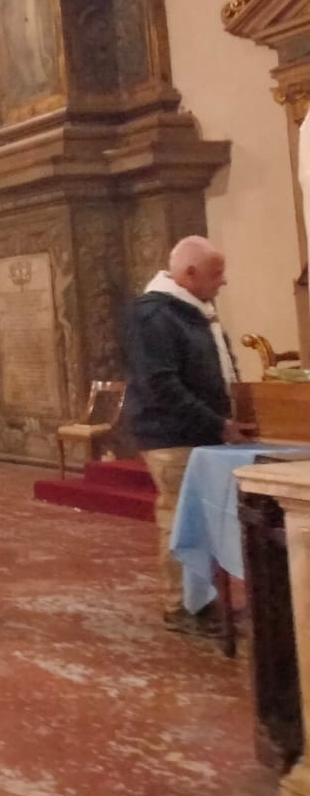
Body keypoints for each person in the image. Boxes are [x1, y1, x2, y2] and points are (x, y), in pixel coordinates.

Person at [123, 235, 243, 635]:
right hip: (171, 435)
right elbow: (162, 384)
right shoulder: (154, 315)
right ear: (189, 274)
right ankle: (180, 607)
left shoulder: (194, 310)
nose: (223, 281)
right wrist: (217, 422)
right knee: (180, 520)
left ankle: (202, 601)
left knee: (202, 520)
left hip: (201, 431)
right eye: (216, 273)